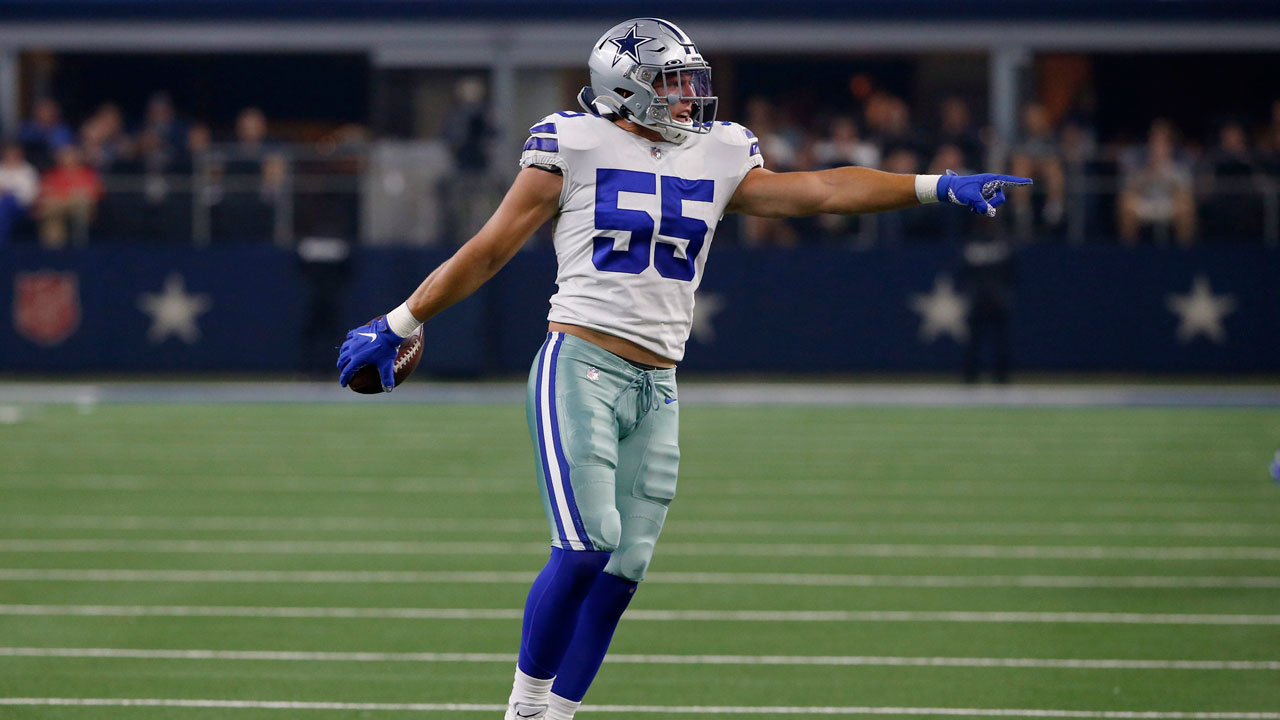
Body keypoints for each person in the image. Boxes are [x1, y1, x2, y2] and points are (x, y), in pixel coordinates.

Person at [336, 18, 1031, 720]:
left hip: (660, 384)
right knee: (585, 549)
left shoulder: (721, 152)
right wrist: (402, 319)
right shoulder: (571, 141)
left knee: (622, 570)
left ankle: (562, 715)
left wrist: (936, 185)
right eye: (671, 83)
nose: (688, 99)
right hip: (581, 365)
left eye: (690, 83)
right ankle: (523, 712)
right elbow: (489, 248)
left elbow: (820, 191)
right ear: (623, 86)